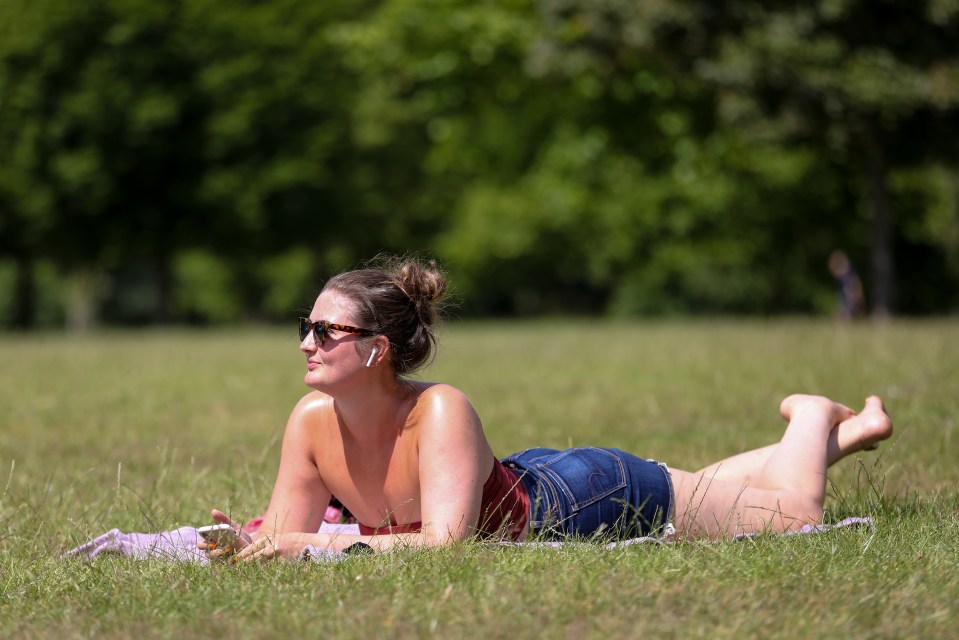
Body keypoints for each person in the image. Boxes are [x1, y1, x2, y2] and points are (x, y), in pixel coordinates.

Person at [202, 258, 893, 561]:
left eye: (325, 332)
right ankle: (851, 431)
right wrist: (248, 545)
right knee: (725, 494)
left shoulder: (439, 410)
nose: (306, 343)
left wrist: (314, 544)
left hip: (587, 499)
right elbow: (285, 540)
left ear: (377, 351)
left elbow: (446, 546)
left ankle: (808, 414)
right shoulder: (309, 423)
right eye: (306, 326)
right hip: (538, 484)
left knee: (791, 516)